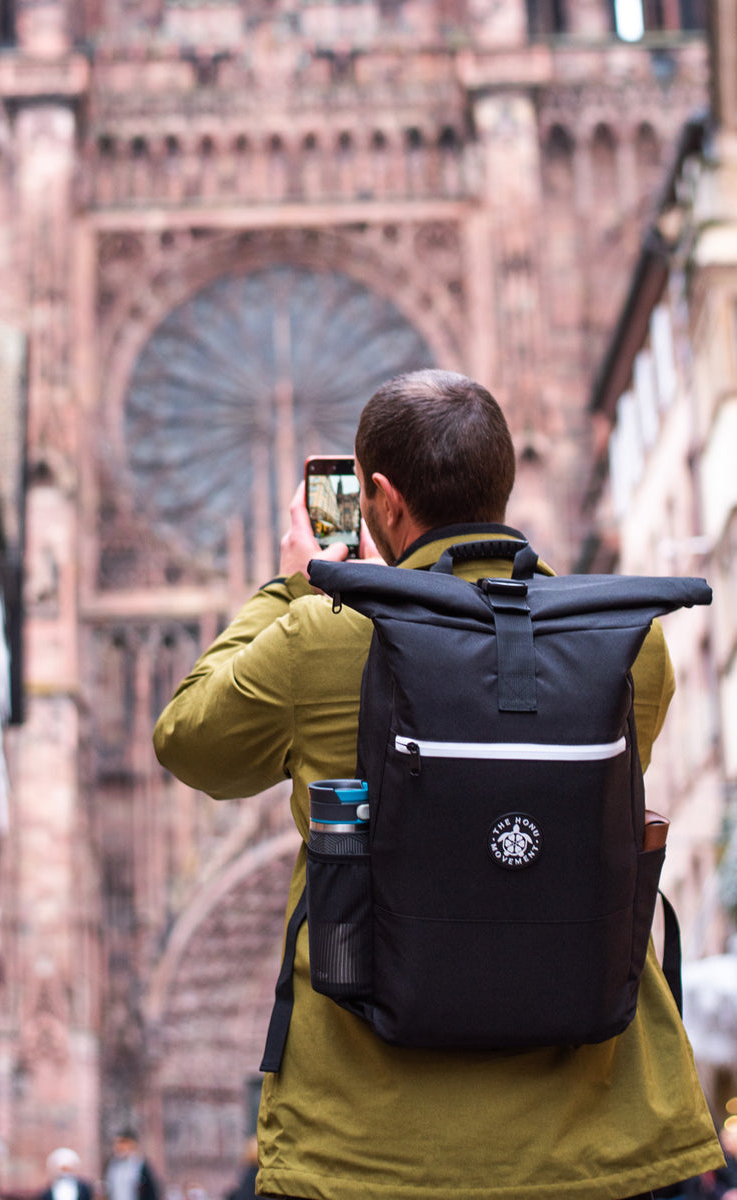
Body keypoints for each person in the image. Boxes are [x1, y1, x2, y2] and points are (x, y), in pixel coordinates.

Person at [154, 369, 724, 1200]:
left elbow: (190, 742)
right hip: (598, 1142)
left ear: (380, 500)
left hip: (366, 1150)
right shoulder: (625, 643)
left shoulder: (323, 634)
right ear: (507, 484)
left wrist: (293, 586)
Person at [104, 1130, 160, 1200]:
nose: (119, 1147)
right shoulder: (113, 1166)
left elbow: (151, 1192)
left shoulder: (140, 1166)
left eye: (123, 1143)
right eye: (116, 1143)